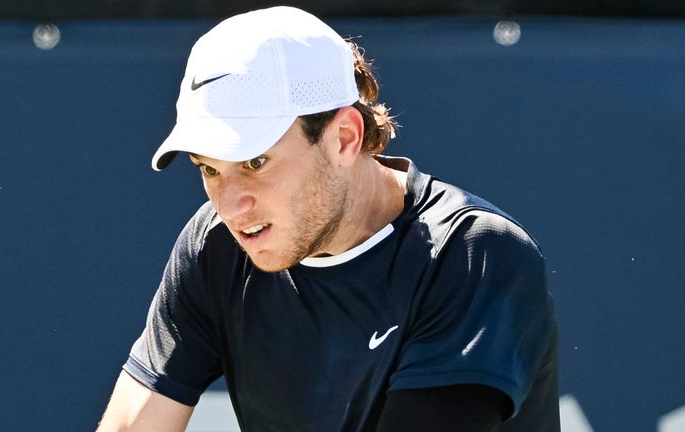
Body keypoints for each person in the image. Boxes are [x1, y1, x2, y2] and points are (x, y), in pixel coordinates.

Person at [98, 6, 559, 431]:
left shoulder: (474, 252)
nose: (231, 203)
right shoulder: (213, 246)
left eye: (256, 162)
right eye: (209, 169)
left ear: (343, 138)